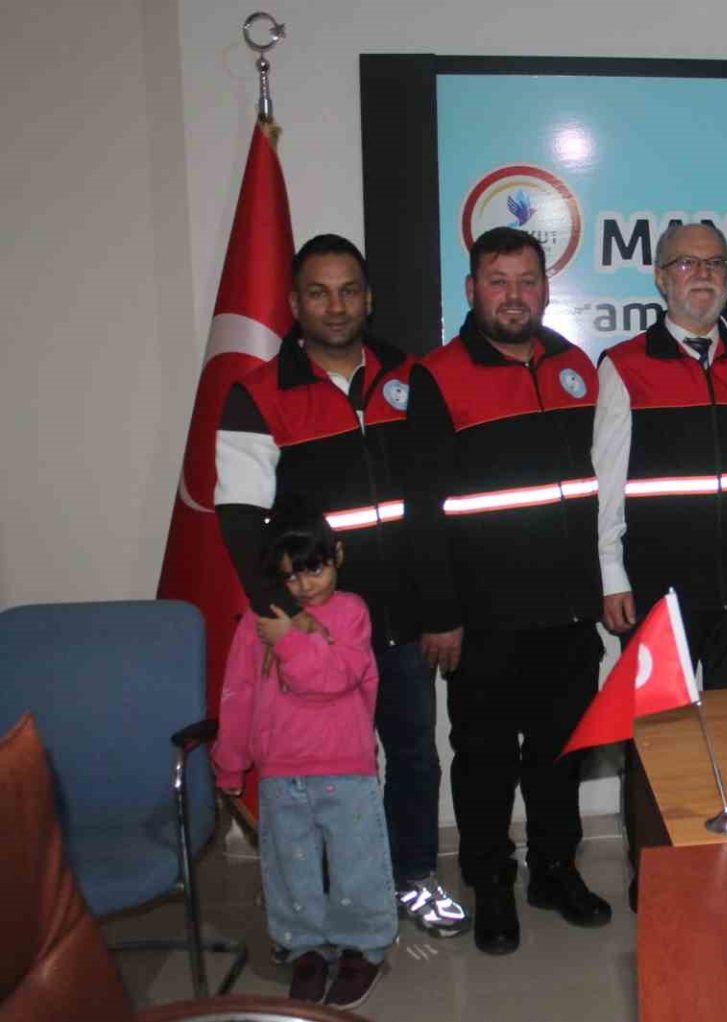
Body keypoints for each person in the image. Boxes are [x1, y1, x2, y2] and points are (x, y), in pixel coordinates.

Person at [214, 234, 468, 942]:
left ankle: (412, 876)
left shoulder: (409, 378)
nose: (336, 306)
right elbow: (239, 523)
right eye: (319, 292)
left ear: (369, 299)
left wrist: (441, 609)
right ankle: (325, 898)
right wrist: (285, 620)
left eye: (349, 290)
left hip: (404, 622)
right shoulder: (257, 395)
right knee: (324, 773)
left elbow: (433, 504)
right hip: (315, 634)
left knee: (414, 756)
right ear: (295, 303)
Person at [405, 227, 611, 955]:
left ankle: (554, 870)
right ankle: (491, 881)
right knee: (486, 760)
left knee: (561, 754)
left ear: (546, 289)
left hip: (568, 611)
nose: (514, 295)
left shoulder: (575, 366)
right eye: (498, 281)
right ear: (472, 290)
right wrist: (439, 613)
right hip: (483, 618)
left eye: (527, 281)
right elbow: (422, 510)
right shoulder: (438, 377)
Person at [594, 221, 727, 689]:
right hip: (658, 592)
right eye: (687, 262)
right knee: (660, 726)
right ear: (661, 277)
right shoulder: (625, 366)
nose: (703, 273)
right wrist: (611, 575)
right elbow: (608, 484)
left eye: (715, 263)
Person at [212, 503, 395, 1009]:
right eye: (290, 576)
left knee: (356, 864)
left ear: (337, 556)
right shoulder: (259, 621)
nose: (305, 585)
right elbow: (239, 692)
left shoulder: (352, 613)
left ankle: (362, 948)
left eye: (314, 569)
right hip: (281, 772)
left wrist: (289, 641)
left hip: (345, 767)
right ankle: (304, 949)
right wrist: (230, 761)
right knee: (289, 867)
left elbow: (334, 678)